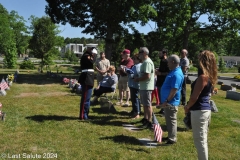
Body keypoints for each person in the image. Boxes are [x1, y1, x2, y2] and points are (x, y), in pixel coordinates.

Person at [184, 50, 217, 160]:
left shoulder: (203, 77)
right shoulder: (210, 77)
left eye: (199, 59)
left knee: (200, 140)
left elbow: (194, 97)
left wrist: (187, 106)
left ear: (203, 61)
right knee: (203, 139)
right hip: (205, 110)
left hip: (199, 111)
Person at [160, 54, 184, 144]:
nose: (167, 64)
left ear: (173, 62)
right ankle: (170, 136)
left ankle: (172, 138)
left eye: (168, 62)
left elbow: (174, 89)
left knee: (172, 120)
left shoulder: (177, 74)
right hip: (169, 101)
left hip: (171, 102)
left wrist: (167, 100)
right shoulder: (173, 71)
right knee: (169, 120)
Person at [134, 47, 155, 128]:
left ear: (144, 53)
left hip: (147, 86)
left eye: (140, 53)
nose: (139, 55)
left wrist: (138, 79)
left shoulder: (147, 62)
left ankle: (149, 121)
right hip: (143, 86)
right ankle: (145, 119)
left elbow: (147, 76)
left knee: (148, 104)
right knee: (145, 104)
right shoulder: (144, 62)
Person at [78, 44, 98, 120]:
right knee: (85, 98)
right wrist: (95, 55)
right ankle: (83, 115)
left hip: (89, 77)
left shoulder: (88, 55)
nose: (94, 50)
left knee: (88, 98)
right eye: (93, 48)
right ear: (89, 49)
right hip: (86, 78)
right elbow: (92, 62)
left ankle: (86, 114)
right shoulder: (86, 56)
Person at [126, 54, 142, 119]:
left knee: (135, 98)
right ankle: (135, 111)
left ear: (138, 59)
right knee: (135, 98)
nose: (133, 60)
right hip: (133, 84)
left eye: (135, 59)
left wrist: (130, 73)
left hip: (135, 84)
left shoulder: (138, 66)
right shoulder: (136, 66)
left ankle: (137, 112)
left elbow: (136, 74)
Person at [155, 49, 169, 116]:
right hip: (159, 81)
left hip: (164, 82)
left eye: (160, 54)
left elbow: (168, 73)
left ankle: (165, 110)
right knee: (160, 96)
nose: (159, 55)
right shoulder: (161, 61)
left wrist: (160, 73)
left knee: (164, 96)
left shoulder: (167, 62)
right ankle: (162, 109)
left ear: (164, 54)